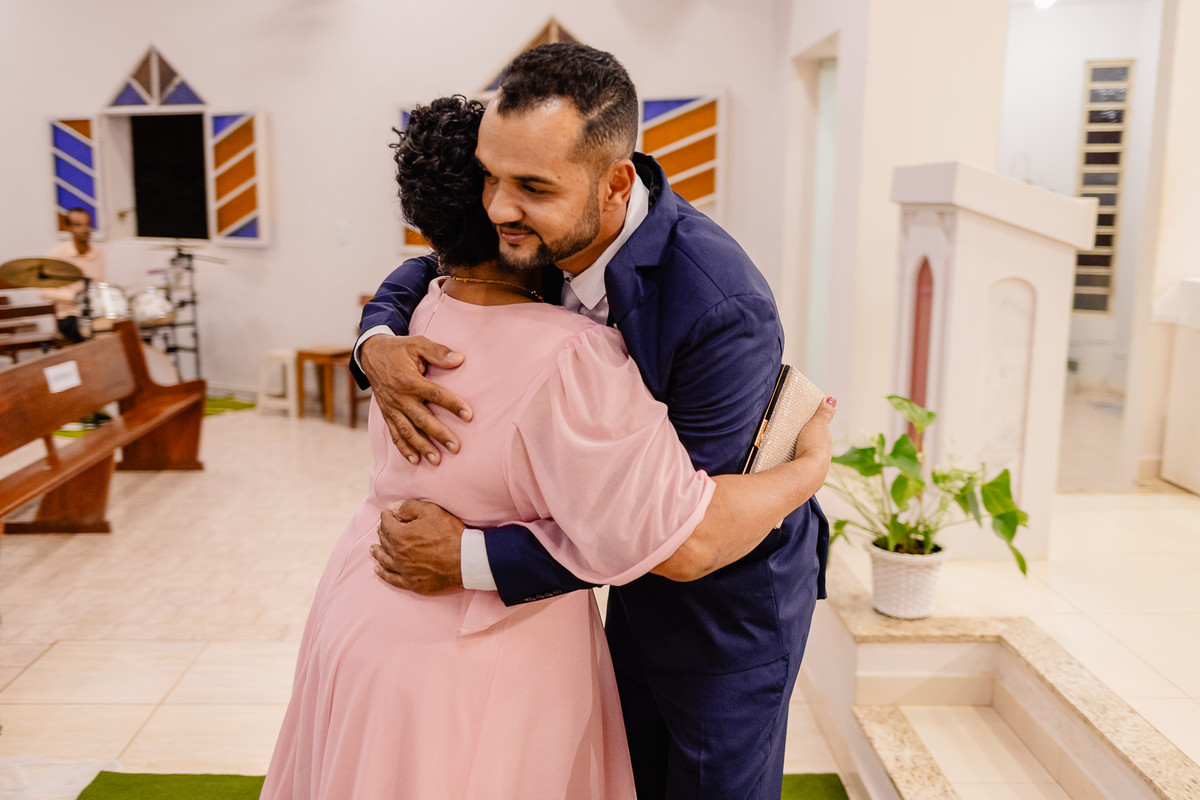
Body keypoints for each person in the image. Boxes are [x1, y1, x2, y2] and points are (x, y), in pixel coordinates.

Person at [263, 95, 834, 799]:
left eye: (533, 184)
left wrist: (377, 337)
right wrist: (812, 467)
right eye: (506, 183)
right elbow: (676, 536)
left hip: (364, 608)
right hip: (483, 647)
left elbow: (682, 541)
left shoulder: (425, 310)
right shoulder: (568, 354)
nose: (517, 201)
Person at [43, 207, 106, 342]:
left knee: (123, 329)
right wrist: (75, 297)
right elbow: (44, 292)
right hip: (69, 314)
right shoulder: (58, 254)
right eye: (78, 225)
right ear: (69, 228)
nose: (84, 229)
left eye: (87, 224)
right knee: (87, 333)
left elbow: (101, 286)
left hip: (95, 313)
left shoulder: (98, 254)